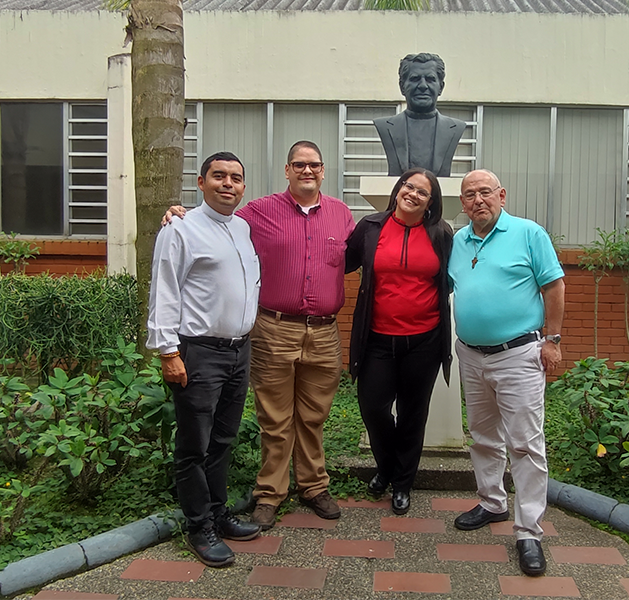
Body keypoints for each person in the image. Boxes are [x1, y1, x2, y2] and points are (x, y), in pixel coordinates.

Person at [163, 141, 355, 531]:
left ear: (323, 170)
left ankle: (314, 485)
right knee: (275, 417)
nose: (307, 171)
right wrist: (176, 210)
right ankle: (269, 493)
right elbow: (215, 214)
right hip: (274, 329)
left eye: (314, 165)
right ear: (286, 170)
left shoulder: (342, 214)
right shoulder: (257, 212)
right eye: (299, 165)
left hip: (323, 332)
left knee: (314, 416)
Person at [147, 152, 262, 568]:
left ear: (243, 186)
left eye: (236, 177)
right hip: (197, 352)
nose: (227, 183)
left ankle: (218, 512)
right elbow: (164, 290)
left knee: (223, 440)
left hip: (238, 350)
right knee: (194, 445)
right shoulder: (180, 228)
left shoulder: (243, 227)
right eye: (218, 176)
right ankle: (199, 527)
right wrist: (167, 352)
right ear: (200, 182)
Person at [448, 169, 565, 577]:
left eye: (485, 192)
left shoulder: (529, 233)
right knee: (482, 435)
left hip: (518, 355)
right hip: (472, 355)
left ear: (501, 195)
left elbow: (553, 286)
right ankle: (492, 501)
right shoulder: (459, 242)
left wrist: (552, 340)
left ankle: (528, 531)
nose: (477, 200)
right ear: (461, 204)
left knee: (525, 443)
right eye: (469, 195)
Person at [345, 168, 453, 515]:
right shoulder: (370, 228)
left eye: (423, 192)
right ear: (398, 189)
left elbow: (452, 277)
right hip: (377, 338)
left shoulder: (440, 233)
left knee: (412, 414)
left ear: (431, 201)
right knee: (374, 409)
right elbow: (338, 260)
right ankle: (387, 467)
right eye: (409, 186)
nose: (413, 194)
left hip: (424, 340)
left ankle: (402, 483)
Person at [374, 53, 466, 178]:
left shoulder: (456, 128)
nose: (423, 86)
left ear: (441, 87)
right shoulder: (385, 126)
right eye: (415, 79)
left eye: (430, 79)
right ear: (402, 86)